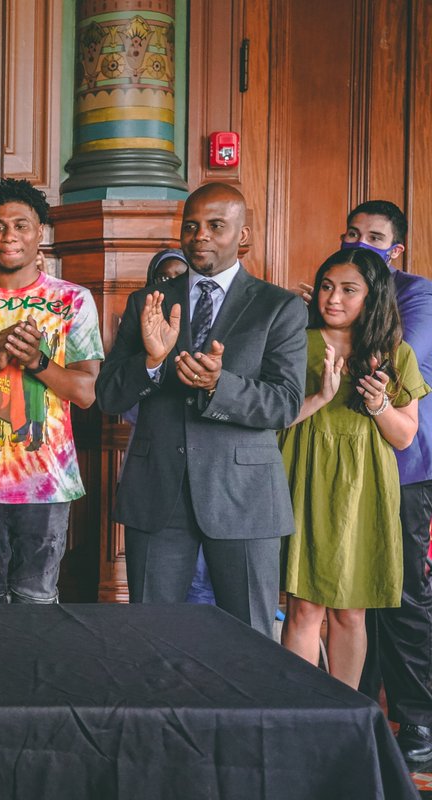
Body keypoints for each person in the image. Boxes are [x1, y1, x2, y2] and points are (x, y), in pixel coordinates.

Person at [95, 182, 308, 637]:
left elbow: (285, 403)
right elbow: (110, 395)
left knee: (250, 637)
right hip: (157, 495)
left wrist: (219, 385)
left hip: (244, 496)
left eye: (215, 226)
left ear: (243, 236)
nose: (200, 236)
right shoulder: (147, 302)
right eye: (190, 226)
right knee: (152, 637)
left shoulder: (279, 307)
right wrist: (150, 363)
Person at [0, 178, 102, 604]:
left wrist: (36, 362)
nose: (9, 236)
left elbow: (85, 393)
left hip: (47, 485)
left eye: (21, 225)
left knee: (37, 603)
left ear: (39, 231)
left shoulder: (73, 301)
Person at [279, 247, 426, 687]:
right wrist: (320, 397)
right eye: (326, 286)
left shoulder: (395, 353)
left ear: (373, 296)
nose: (333, 298)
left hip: (364, 486)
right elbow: (267, 419)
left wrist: (379, 403)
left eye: (348, 289)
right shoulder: (294, 342)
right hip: (302, 473)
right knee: (303, 606)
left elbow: (403, 436)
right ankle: (301, 713)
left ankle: (345, 716)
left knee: (351, 609)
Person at [326, 201, 432, 768]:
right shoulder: (335, 289)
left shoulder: (417, 294)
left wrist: (333, 314)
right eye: (352, 233)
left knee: (402, 594)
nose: (360, 242)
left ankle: (417, 719)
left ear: (395, 251)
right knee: (349, 591)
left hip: (406, 464)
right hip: (340, 461)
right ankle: (357, 710)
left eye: (374, 237)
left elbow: (382, 354)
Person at [124, 249, 216, 606]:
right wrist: (154, 361)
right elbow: (123, 405)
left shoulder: (212, 333)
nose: (173, 284)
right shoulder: (136, 332)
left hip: (213, 484)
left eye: (183, 274)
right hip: (156, 478)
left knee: (206, 595)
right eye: (164, 278)